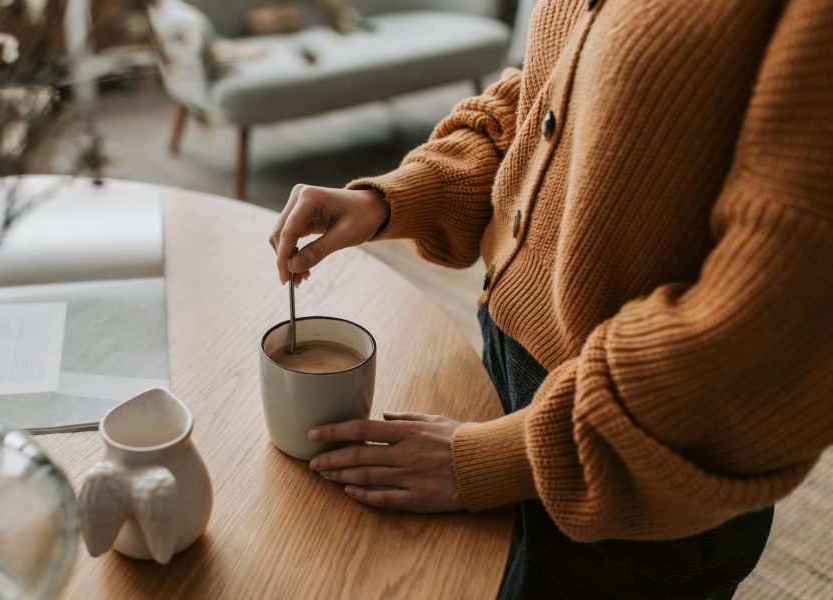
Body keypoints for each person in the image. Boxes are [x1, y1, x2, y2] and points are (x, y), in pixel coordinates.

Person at [268, 0, 833, 598]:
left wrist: (500, 460)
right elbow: (551, 86)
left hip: (637, 455)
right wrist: (401, 196)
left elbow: (770, 331)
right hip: (507, 369)